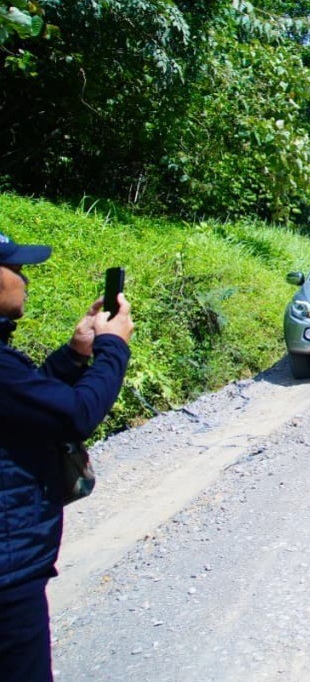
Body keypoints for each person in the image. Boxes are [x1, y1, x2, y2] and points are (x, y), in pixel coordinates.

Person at [0, 231, 134, 680]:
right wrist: (112, 347)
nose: (25, 280)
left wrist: (75, 355)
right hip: (8, 570)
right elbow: (75, 415)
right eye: (16, 270)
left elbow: (23, 402)